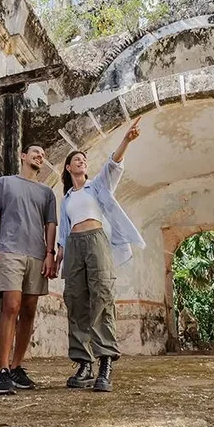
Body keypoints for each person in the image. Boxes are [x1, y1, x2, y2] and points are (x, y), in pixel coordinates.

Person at [57, 117, 145, 392]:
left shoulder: (97, 186)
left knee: (102, 296)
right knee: (75, 299)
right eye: (76, 159)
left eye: (84, 159)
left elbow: (113, 164)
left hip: (96, 241)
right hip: (73, 245)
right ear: (68, 167)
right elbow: (63, 232)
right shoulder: (67, 199)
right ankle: (84, 363)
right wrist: (57, 255)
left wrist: (126, 140)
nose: (82, 161)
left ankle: (105, 361)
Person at [0, 143, 58, 395]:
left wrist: (49, 254)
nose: (40, 156)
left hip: (37, 255)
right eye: (35, 152)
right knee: (11, 306)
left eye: (43, 154)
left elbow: (50, 224)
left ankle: (16, 367)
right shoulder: (5, 183)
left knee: (28, 310)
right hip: (10, 250)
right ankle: (2, 370)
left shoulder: (47, 192)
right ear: (23, 156)